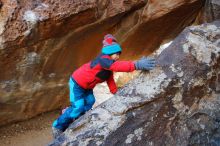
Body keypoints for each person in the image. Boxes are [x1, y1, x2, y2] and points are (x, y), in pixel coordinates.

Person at [52, 34, 156, 138]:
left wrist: (115, 91)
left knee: (90, 101)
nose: (118, 57)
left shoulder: (107, 67)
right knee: (78, 105)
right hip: (77, 83)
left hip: (87, 87)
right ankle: (58, 126)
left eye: (119, 54)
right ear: (109, 52)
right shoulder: (103, 59)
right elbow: (117, 66)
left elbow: (110, 80)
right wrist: (136, 65)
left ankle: (78, 116)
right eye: (116, 54)